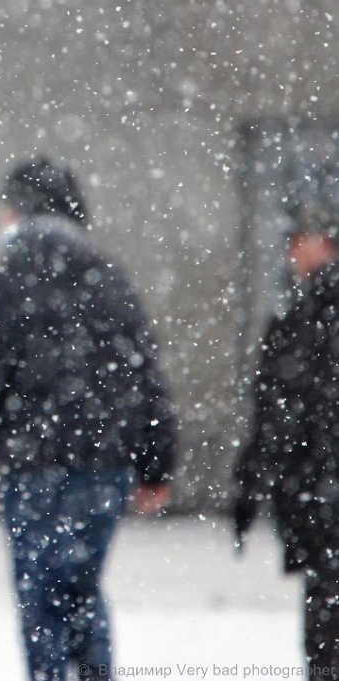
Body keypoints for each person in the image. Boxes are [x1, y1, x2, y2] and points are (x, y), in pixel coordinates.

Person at [0, 156, 176, 681]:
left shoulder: (4, 280)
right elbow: (145, 377)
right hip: (104, 463)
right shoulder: (110, 278)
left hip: (33, 466)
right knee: (83, 588)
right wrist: (156, 464)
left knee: (38, 595)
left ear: (17, 210)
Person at [233, 203, 339, 678]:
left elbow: (277, 414)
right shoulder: (302, 317)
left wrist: (250, 486)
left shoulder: (302, 319)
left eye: (299, 241)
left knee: (325, 624)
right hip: (320, 491)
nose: (292, 254)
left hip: (320, 497)